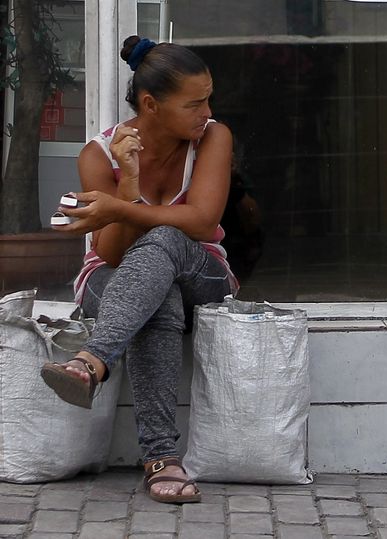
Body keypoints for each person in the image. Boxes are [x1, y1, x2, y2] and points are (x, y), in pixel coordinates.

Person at [39, 35, 238, 504]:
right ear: (151, 104)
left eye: (208, 97)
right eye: (194, 103)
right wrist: (127, 185)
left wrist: (120, 209)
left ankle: (92, 359)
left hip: (201, 271)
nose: (207, 111)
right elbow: (109, 255)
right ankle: (161, 460)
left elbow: (202, 220)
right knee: (156, 295)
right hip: (113, 279)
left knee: (167, 240)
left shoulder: (214, 137)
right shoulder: (99, 155)